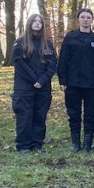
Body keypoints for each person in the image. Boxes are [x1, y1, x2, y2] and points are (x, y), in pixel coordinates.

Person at [57, 8, 94, 152]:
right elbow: (63, 60)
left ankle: (87, 144)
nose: (86, 20)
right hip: (73, 83)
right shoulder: (70, 37)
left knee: (91, 114)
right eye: (83, 17)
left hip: (92, 84)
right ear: (78, 19)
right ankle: (76, 142)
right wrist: (62, 80)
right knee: (74, 113)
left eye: (88, 17)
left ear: (92, 20)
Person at [12, 14, 57, 152]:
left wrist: (42, 81)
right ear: (29, 23)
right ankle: (23, 145)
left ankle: (37, 144)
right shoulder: (20, 43)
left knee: (40, 115)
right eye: (35, 21)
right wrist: (34, 80)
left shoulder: (47, 44)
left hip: (43, 87)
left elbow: (53, 64)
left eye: (40, 22)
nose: (38, 24)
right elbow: (20, 64)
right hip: (24, 87)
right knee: (24, 116)